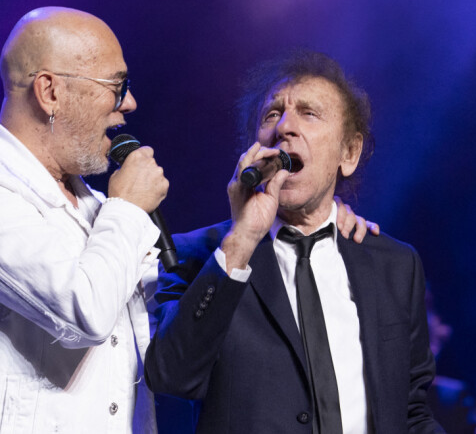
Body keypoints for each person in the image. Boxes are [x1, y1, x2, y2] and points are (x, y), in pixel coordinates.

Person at [145, 50, 445, 433]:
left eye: (309, 113)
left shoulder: (394, 265)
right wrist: (244, 238)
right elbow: (172, 376)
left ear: (349, 153)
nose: (285, 127)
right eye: (272, 114)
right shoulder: (197, 256)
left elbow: (411, 412)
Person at [0, 7, 169, 433]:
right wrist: (129, 207)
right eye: (117, 85)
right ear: (50, 92)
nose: (128, 103)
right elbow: (84, 312)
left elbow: (165, 296)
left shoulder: (93, 205)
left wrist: (302, 221)